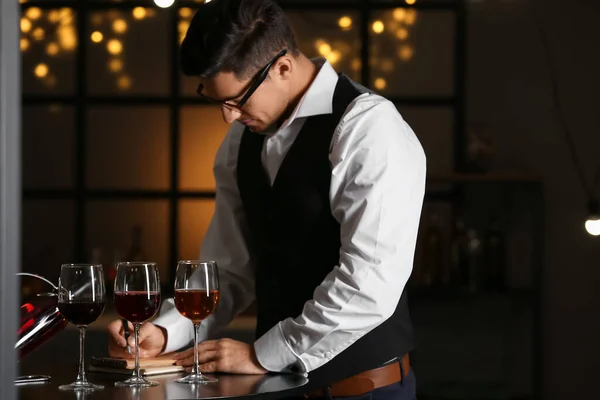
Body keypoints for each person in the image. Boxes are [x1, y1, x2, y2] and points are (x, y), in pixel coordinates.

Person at [108, 0, 426, 398]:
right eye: (217, 101)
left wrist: (263, 356)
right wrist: (165, 330)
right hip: (275, 389)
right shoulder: (240, 139)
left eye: (236, 100)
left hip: (363, 390)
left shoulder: (368, 128)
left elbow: (370, 283)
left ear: (283, 67)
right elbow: (229, 269)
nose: (227, 117)